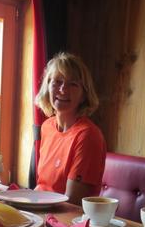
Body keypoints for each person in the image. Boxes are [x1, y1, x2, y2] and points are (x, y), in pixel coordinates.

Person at [34, 52, 106, 204]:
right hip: (39, 209)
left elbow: (72, 202)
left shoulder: (87, 135)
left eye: (73, 84)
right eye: (57, 82)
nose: (63, 90)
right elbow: (43, 187)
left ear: (84, 94)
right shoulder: (47, 127)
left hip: (64, 216)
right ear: (47, 86)